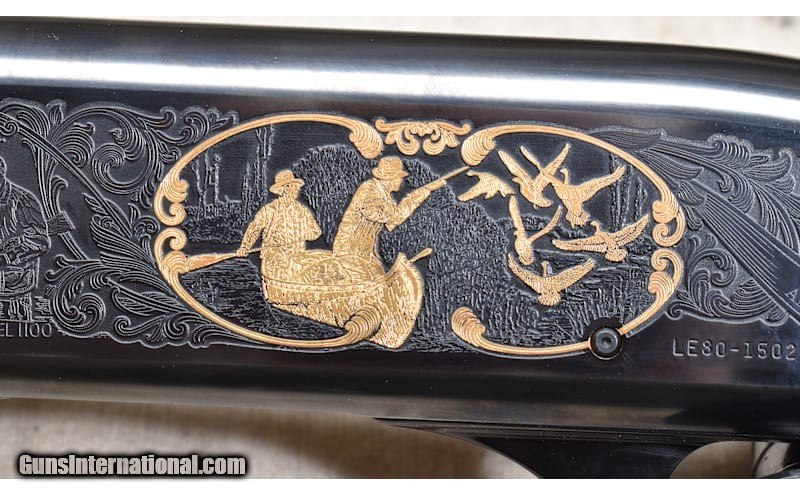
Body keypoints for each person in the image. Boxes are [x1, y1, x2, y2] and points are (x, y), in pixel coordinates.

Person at [331, 156, 444, 272]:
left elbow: (395, 219)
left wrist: (423, 192)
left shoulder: (385, 197)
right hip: (349, 250)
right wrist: (419, 194)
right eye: (399, 178)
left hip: (365, 252)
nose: (401, 181)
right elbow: (391, 217)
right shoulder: (369, 190)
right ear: (390, 178)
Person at [237, 170, 322, 280]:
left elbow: (316, 232)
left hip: (296, 261)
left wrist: (306, 234)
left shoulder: (302, 211)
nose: (298, 189)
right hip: (274, 261)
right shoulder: (270, 209)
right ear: (286, 188)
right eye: (294, 186)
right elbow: (254, 228)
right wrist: (244, 247)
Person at [0, 157, 50, 320]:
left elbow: (40, 241)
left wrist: (7, 257)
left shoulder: (23, 200)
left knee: (16, 327)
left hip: (14, 287)